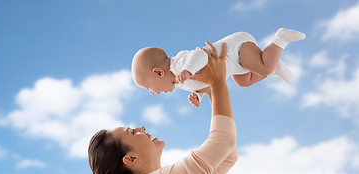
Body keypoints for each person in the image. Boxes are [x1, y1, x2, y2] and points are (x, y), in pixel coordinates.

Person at [88, 42, 238, 174]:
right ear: (131, 159)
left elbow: (227, 156)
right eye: (132, 132)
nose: (141, 127)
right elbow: (223, 143)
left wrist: (210, 90)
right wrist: (217, 82)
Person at [131, 28, 306, 107]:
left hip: (236, 50)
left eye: (148, 87)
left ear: (158, 72)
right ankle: (272, 63)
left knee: (263, 68)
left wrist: (188, 70)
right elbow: (205, 81)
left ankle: (280, 39)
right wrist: (199, 95)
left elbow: (200, 55)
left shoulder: (179, 65)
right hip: (235, 67)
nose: (151, 92)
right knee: (244, 81)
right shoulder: (179, 82)